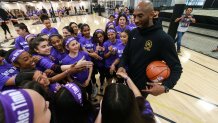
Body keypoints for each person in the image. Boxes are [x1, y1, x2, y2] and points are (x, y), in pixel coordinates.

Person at [117, 0, 182, 97]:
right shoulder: (133, 33)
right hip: (127, 80)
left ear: (152, 14)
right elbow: (126, 53)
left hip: (142, 89)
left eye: (140, 16)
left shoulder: (164, 39)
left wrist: (165, 87)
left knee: (135, 111)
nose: (136, 20)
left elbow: (176, 68)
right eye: (134, 16)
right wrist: (121, 65)